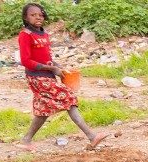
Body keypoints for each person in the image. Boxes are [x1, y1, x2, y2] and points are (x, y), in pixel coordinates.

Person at [18, 3, 108, 151]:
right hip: (37, 77)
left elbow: (46, 57)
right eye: (33, 15)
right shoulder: (25, 35)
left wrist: (58, 67)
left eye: (40, 15)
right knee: (68, 98)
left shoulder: (43, 33)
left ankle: (26, 140)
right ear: (25, 18)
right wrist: (52, 68)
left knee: (44, 110)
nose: (38, 18)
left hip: (46, 75)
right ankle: (92, 136)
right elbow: (26, 61)